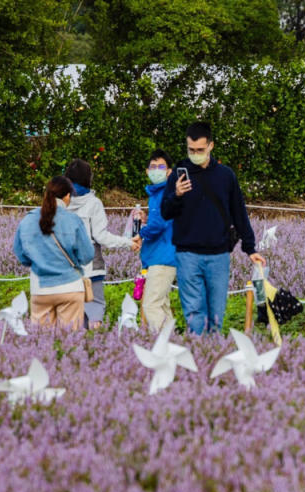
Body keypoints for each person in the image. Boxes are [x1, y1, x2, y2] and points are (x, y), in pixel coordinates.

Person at [161, 122, 265, 334]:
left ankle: (211, 354)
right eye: (191, 150)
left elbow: (239, 212)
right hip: (187, 254)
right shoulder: (178, 175)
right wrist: (177, 194)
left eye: (200, 150)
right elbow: (165, 211)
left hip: (218, 255)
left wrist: (250, 248)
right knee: (194, 315)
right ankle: (200, 355)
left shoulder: (226, 176)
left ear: (211, 146)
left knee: (216, 314)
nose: (195, 154)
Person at [64, 159, 140, 330]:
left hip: (67, 266)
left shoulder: (61, 202)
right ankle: (95, 347)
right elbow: (102, 237)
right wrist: (128, 243)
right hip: (91, 265)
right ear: (88, 179)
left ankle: (74, 350)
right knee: (95, 309)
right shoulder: (93, 203)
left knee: (73, 313)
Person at [13, 176, 94, 329]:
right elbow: (87, 255)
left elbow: (21, 255)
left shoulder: (28, 220)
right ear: (67, 196)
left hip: (40, 288)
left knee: (41, 342)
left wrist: (39, 261)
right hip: (70, 287)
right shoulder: (73, 220)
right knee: (70, 341)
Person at [138, 150, 178, 331]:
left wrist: (140, 233)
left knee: (151, 305)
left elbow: (159, 224)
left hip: (162, 257)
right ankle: (174, 345)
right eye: (152, 167)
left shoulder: (164, 193)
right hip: (160, 255)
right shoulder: (158, 193)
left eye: (161, 167)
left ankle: (165, 348)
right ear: (147, 171)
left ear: (169, 172)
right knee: (161, 305)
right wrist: (146, 221)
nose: (156, 170)